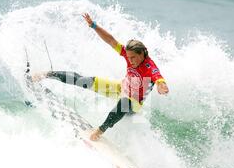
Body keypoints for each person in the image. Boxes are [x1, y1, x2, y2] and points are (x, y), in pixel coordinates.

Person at [32, 13, 169, 141]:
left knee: (124, 103)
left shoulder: (150, 67)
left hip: (133, 104)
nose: (130, 60)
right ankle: (46, 74)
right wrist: (93, 25)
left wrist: (162, 87)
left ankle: (100, 130)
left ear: (142, 54)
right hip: (121, 89)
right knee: (85, 81)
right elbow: (111, 40)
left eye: (133, 57)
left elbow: (159, 78)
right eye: (128, 57)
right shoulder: (129, 55)